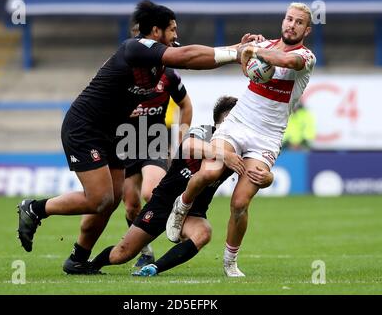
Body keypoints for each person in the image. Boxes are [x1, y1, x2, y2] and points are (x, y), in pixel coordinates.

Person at [16, 0, 260, 259]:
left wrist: (239, 48)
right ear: (155, 31)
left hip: (115, 133)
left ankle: (78, 259)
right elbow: (188, 57)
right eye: (172, 29)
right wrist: (234, 54)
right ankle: (34, 208)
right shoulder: (135, 48)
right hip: (85, 128)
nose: (176, 35)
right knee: (99, 199)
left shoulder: (160, 58)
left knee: (112, 200)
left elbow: (194, 56)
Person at [166, 2, 316, 277]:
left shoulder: (305, 57)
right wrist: (245, 54)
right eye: (289, 19)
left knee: (239, 203)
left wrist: (256, 51)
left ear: (306, 30)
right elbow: (247, 68)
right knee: (210, 172)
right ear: (283, 21)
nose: (291, 25)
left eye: (298, 22)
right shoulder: (266, 45)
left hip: (267, 137)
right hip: (237, 123)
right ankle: (182, 205)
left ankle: (230, 261)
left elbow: (286, 62)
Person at [87, 96, 274, 276]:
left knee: (203, 232)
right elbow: (188, 147)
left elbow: (258, 170)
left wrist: (268, 178)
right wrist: (224, 155)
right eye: (235, 121)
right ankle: (89, 265)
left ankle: (153, 268)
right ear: (222, 122)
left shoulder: (242, 149)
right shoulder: (204, 132)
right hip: (164, 202)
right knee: (122, 254)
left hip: (193, 210)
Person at [61, 22, 193, 272]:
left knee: (150, 190)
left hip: (153, 138)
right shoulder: (122, 74)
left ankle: (178, 221)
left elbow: (186, 105)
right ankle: (144, 251)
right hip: (123, 139)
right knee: (129, 203)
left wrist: (179, 138)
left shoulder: (168, 76)